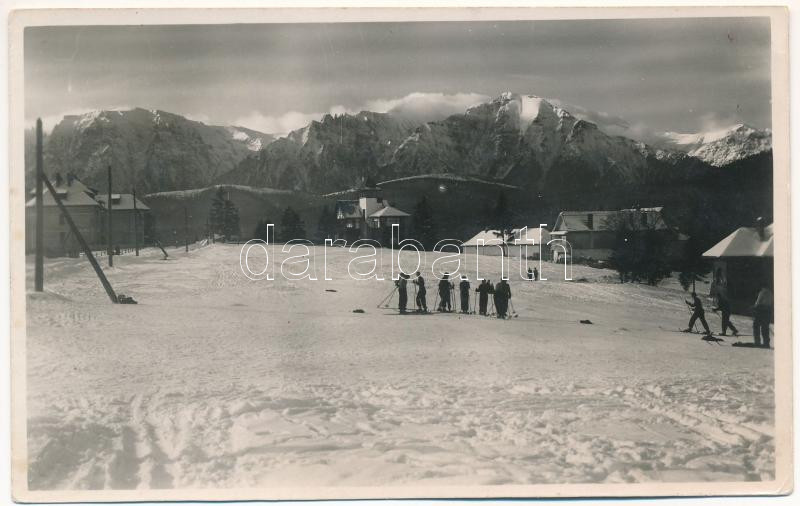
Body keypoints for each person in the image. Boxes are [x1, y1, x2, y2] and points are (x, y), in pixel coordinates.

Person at [713, 272, 738, 337]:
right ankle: (734, 330)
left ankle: (724, 332)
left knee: (724, 322)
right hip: (727, 311)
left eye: (717, 296)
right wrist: (716, 309)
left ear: (718, 296)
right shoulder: (722, 299)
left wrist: (715, 309)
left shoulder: (721, 300)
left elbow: (721, 307)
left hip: (726, 312)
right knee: (726, 322)